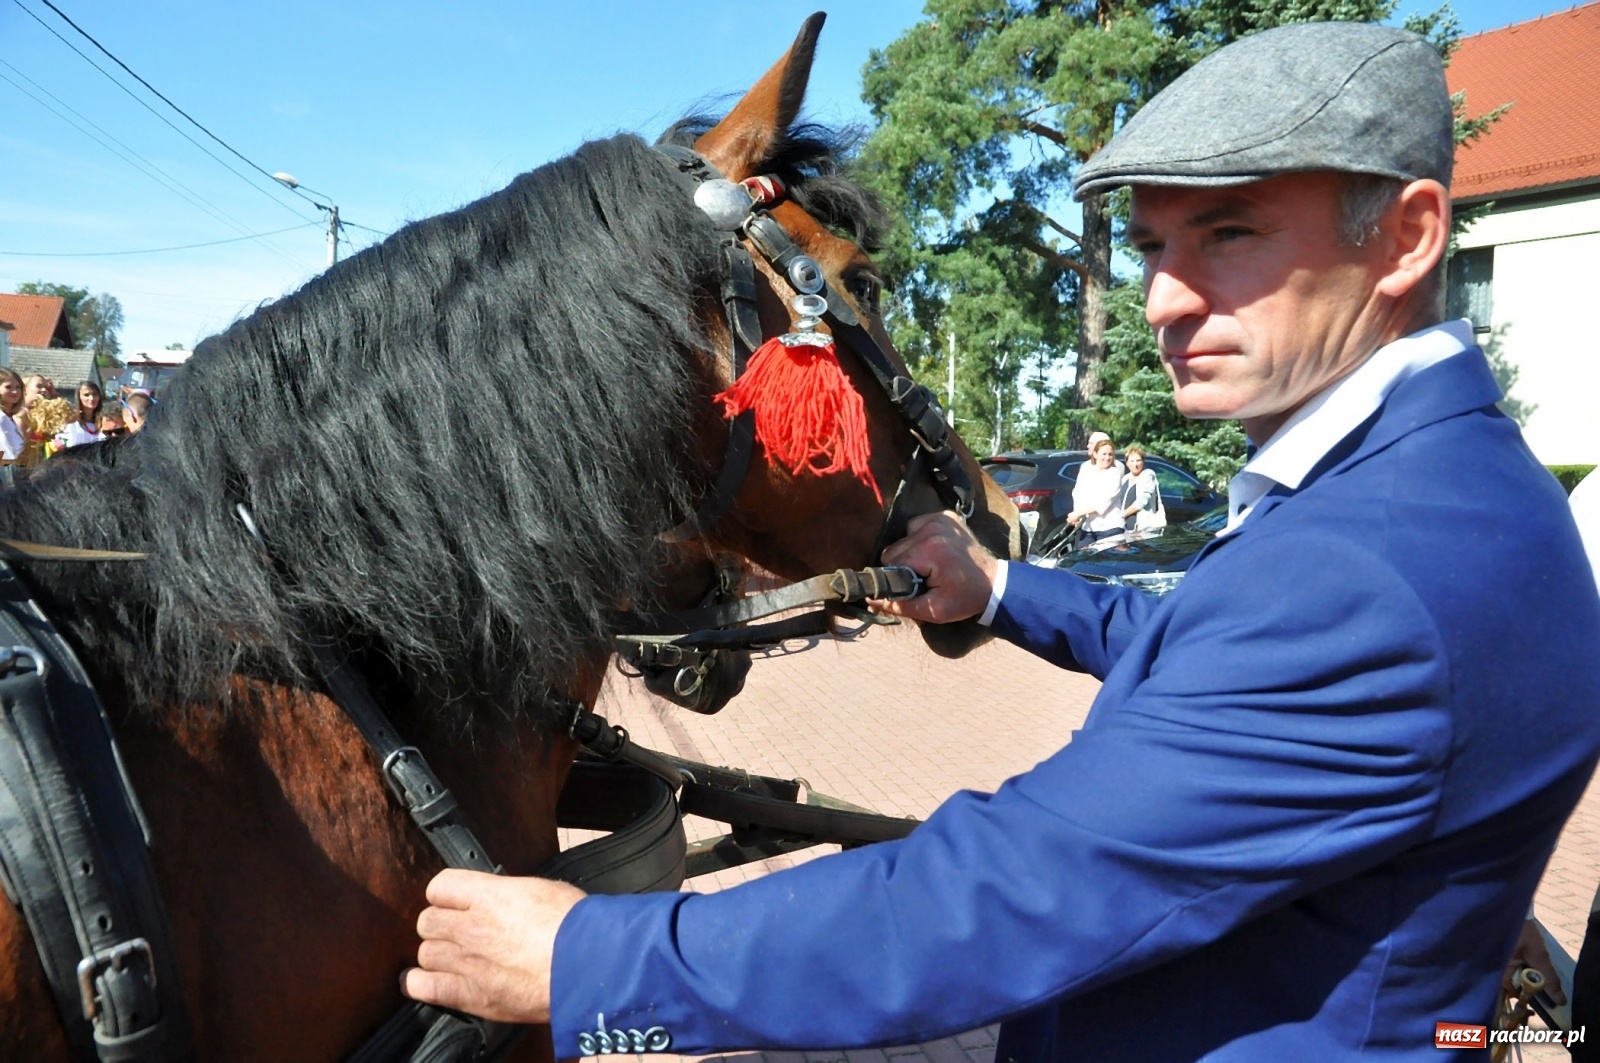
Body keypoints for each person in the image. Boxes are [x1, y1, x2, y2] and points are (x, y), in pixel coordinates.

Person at [400, 23, 1600, 1061]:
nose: (1164, 301)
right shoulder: (1424, 488)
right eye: (1152, 249)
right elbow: (1211, 645)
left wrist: (591, 964)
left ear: (1404, 238)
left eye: (1227, 235)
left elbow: (1007, 899)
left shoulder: (1374, 570)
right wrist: (999, 590)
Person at [1064, 432, 1127, 543]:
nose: (1107, 458)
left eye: (1110, 454)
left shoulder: (1115, 472)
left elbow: (1102, 503)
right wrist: (1076, 515)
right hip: (1088, 527)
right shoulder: (1086, 468)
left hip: (1110, 528)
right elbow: (1078, 493)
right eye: (1104, 454)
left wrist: (1078, 513)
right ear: (1096, 453)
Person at [1118, 444, 1166, 531]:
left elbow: (1141, 502)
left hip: (1142, 529)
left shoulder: (1147, 475)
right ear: (1127, 463)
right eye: (1132, 461)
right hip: (1125, 528)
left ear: (1143, 462)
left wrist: (1121, 515)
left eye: (1138, 460)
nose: (1135, 464)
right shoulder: (1125, 478)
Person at [53, 380, 103, 451]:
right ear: (79, 397)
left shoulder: (104, 420)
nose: (91, 398)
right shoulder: (70, 419)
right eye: (86, 395)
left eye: (95, 394)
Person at [0, 369, 26, 463]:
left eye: (18, 387)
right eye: (8, 387)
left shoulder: (9, 418)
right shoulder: (1, 418)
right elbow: (6, 455)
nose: (15, 392)